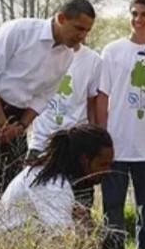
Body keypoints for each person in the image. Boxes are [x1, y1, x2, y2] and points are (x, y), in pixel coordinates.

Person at [0, 0, 96, 209]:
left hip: (17, 118)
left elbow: (44, 95)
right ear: (61, 18)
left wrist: (21, 126)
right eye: (79, 28)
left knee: (7, 182)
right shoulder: (19, 30)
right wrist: (1, 122)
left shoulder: (67, 56)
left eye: (87, 31)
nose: (82, 36)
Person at [96, 0, 145, 249]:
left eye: (144, 14)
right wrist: (102, 139)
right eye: (134, 13)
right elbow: (102, 95)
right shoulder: (112, 50)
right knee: (112, 212)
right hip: (116, 147)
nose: (138, 19)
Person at [0, 124, 114, 232]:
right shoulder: (53, 186)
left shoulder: (54, 175)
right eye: (103, 164)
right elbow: (64, 244)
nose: (108, 170)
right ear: (84, 159)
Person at [27, 43, 102, 213]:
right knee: (35, 202)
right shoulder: (41, 53)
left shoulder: (93, 60)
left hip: (77, 145)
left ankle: (76, 240)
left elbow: (92, 103)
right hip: (42, 142)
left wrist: (95, 141)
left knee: (79, 206)